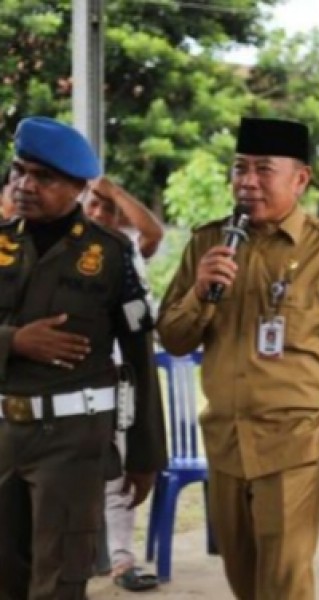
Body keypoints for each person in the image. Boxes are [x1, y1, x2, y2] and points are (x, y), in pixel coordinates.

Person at [156, 117, 319, 600]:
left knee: (283, 586)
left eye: (263, 169)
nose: (247, 181)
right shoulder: (208, 243)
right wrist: (199, 292)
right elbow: (173, 337)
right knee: (245, 582)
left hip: (295, 446)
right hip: (226, 443)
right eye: (240, 168)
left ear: (300, 179)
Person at [0, 116, 166, 600]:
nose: (25, 185)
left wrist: (145, 456)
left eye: (43, 177)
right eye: (19, 170)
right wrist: (14, 341)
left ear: (78, 188)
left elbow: (139, 359)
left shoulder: (112, 255)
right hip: (4, 435)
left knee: (59, 582)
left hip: (73, 443)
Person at [83, 176, 165, 591]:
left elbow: (153, 233)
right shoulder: (67, 249)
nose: (98, 213)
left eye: (108, 209)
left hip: (121, 381)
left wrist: (114, 191)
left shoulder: (126, 251)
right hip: (76, 381)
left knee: (120, 471)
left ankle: (121, 559)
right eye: (92, 204)